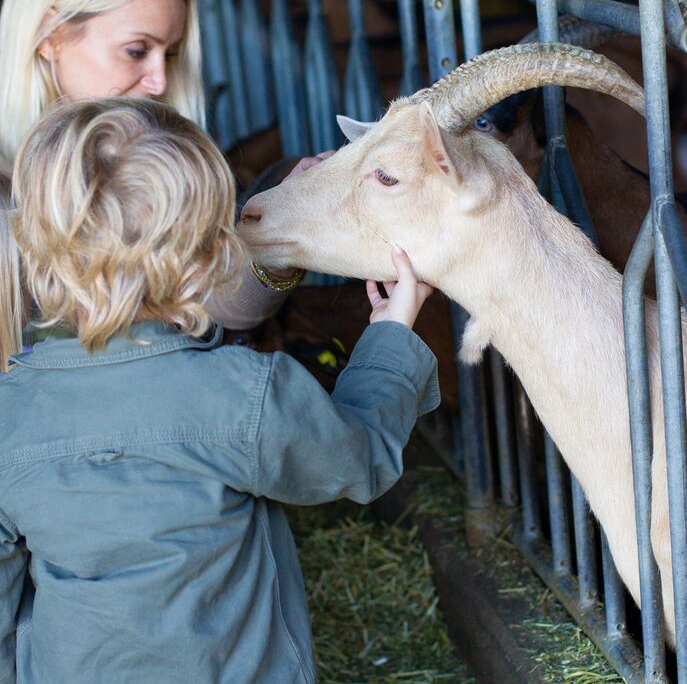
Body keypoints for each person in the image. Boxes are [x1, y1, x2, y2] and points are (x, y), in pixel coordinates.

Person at [0, 97, 439, 683]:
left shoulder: (10, 416)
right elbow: (359, 459)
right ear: (204, 259)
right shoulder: (243, 396)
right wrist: (389, 337)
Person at [0, 0, 313, 345]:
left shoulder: (153, 155)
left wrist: (278, 232)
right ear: (50, 36)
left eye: (168, 54)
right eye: (135, 50)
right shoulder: (6, 189)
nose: (160, 82)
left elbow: (215, 306)